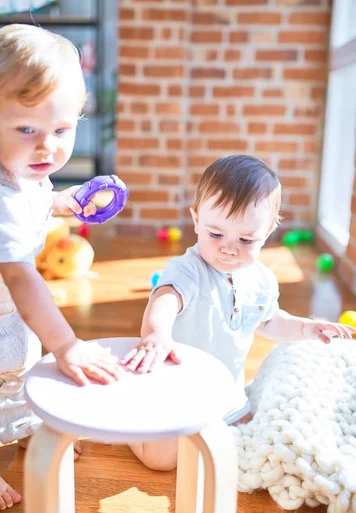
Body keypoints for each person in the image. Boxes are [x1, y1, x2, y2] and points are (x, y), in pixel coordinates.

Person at [0, 24, 122, 513]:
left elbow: (35, 199)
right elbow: (21, 277)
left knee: (19, 369)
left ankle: (25, 430)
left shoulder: (23, 169)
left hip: (3, 313)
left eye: (62, 130)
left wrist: (67, 201)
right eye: (27, 129)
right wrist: (67, 344)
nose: (47, 147)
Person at [120, 154, 355, 471]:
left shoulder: (261, 280)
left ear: (269, 231)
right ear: (196, 220)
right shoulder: (189, 270)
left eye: (246, 239)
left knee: (246, 433)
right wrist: (156, 334)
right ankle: (129, 425)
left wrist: (305, 328)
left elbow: (269, 321)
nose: (228, 248)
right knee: (161, 461)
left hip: (225, 391)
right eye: (215, 234)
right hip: (176, 389)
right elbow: (166, 298)